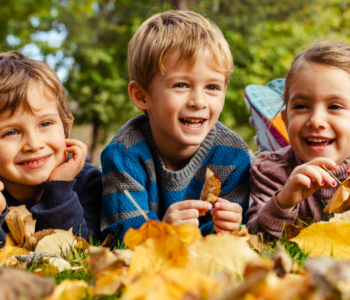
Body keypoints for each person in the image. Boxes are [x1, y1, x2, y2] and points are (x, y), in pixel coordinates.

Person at [101, 10, 251, 242]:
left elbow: (225, 237)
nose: (199, 102)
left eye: (212, 87)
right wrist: (164, 231)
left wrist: (226, 228)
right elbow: (121, 236)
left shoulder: (232, 154)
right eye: (181, 85)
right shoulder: (124, 154)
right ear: (142, 96)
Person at [246, 40, 350, 238]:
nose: (316, 121)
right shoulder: (271, 171)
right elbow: (253, 239)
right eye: (301, 106)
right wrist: (283, 202)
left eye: (335, 106)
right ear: (285, 121)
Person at [0, 51, 102, 247]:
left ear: (66, 128)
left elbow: (81, 250)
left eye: (45, 124)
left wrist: (60, 189)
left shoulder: (89, 183)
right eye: (11, 132)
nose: (34, 144)